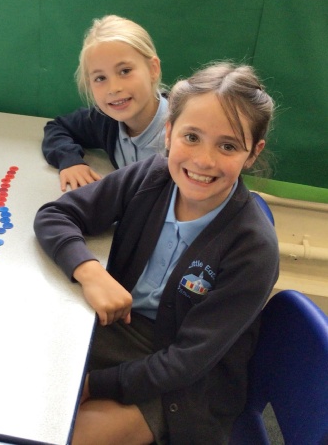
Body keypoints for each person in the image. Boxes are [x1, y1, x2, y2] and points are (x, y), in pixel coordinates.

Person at [34, 62, 279, 444]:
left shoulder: (253, 248)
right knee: (27, 394)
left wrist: (93, 385)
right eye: (191, 137)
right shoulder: (151, 176)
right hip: (121, 331)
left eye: (228, 146)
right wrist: (91, 272)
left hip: (186, 385)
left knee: (64, 434)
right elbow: (55, 215)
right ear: (168, 131)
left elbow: (187, 361)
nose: (203, 160)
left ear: (252, 153)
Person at [42, 15, 169, 192]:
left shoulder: (185, 130)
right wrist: (70, 161)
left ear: (153, 69)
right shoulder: (105, 121)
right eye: (100, 78)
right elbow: (58, 127)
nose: (114, 88)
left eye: (125, 71)